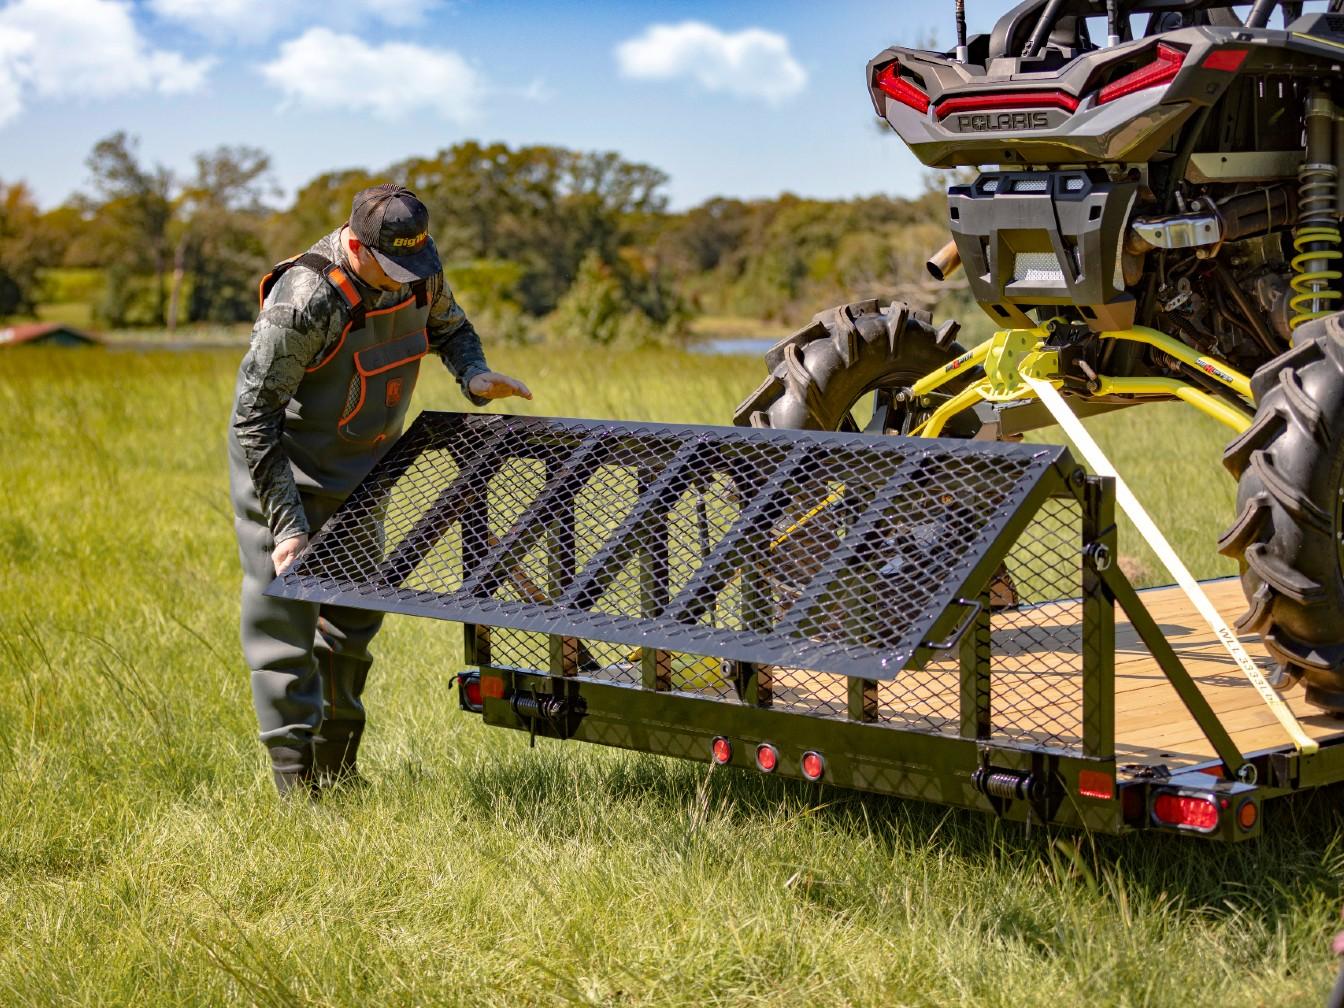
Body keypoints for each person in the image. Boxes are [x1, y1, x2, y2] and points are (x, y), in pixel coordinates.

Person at [227, 183, 532, 797]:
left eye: (412, 267)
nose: (404, 281)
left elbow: (450, 327)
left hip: (365, 471)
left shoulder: (417, 270)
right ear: (356, 245)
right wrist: (287, 525)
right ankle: (297, 794)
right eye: (391, 268)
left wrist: (474, 375)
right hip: (289, 475)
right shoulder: (307, 299)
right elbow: (253, 417)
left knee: (353, 622)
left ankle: (338, 773)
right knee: (284, 632)